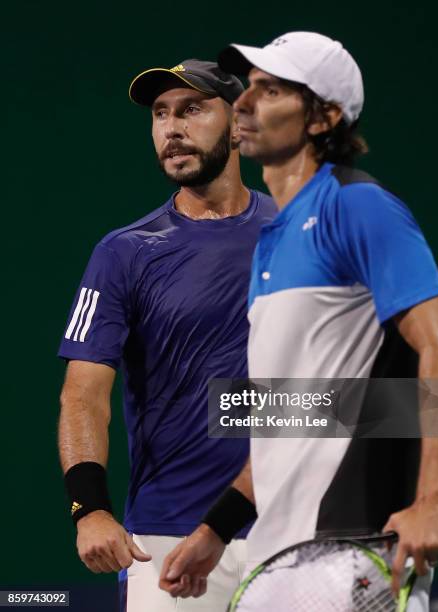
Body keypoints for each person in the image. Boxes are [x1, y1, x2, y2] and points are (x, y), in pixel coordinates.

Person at [158, 33, 438, 610]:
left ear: (324, 118)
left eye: (270, 91)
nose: (244, 104)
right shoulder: (272, 239)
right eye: (247, 89)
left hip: (355, 552)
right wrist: (216, 530)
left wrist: (432, 498)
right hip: (277, 557)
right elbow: (295, 415)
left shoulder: (357, 204)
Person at [57, 58, 277, 612]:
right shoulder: (123, 253)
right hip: (167, 542)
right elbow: (83, 395)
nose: (172, 128)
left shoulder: (299, 233)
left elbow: (360, 392)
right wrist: (90, 509)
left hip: (290, 536)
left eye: (193, 109)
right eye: (160, 114)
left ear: (237, 124)